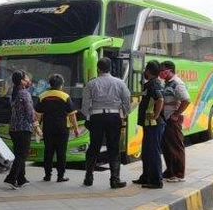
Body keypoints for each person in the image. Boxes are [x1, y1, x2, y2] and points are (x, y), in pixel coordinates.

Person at [81, 57, 131, 189]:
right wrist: (124, 114)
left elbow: (85, 104)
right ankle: (115, 180)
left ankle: (88, 177)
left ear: (98, 68)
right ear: (110, 68)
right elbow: (127, 99)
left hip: (96, 117)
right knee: (113, 148)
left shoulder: (91, 84)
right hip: (114, 116)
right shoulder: (119, 83)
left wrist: (87, 117)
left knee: (94, 147)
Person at [35, 74, 80, 183]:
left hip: (48, 128)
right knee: (61, 152)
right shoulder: (65, 96)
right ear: (61, 85)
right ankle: (60, 176)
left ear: (49, 84)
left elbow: (38, 115)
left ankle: (47, 175)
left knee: (48, 152)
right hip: (62, 129)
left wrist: (37, 129)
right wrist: (76, 129)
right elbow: (72, 115)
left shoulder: (42, 96)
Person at [133, 61, 165, 189]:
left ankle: (156, 181)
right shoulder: (151, 84)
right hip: (149, 124)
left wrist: (156, 115)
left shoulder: (154, 84)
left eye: (145, 69)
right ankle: (146, 177)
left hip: (154, 124)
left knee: (153, 152)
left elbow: (160, 99)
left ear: (148, 71)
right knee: (146, 152)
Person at [4, 70, 37, 190]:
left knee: (19, 154)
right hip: (23, 129)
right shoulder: (24, 93)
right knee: (22, 155)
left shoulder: (14, 93)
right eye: (27, 78)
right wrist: (36, 125)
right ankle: (11, 178)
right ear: (22, 81)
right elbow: (29, 112)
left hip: (14, 128)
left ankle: (21, 178)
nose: (29, 80)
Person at [160, 61, 191, 182]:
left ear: (169, 70)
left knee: (176, 146)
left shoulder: (177, 83)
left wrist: (176, 114)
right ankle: (170, 172)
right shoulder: (167, 83)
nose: (161, 73)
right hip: (166, 118)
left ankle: (179, 174)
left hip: (173, 119)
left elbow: (186, 100)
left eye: (163, 70)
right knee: (167, 147)